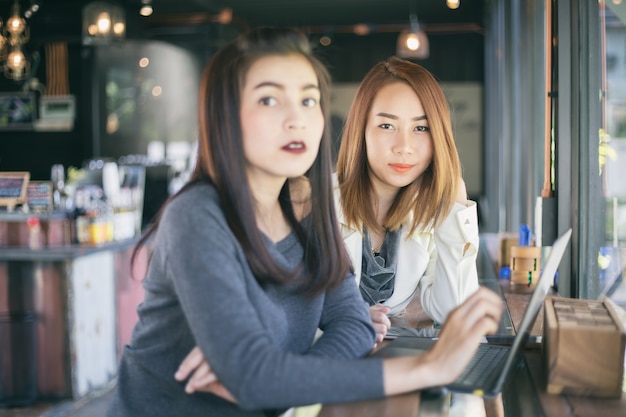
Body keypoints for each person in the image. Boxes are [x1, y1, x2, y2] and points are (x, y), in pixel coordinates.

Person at [108, 27, 503, 417]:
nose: (297, 119)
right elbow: (256, 376)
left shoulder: (305, 212)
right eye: (269, 100)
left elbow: (354, 326)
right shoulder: (196, 216)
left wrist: (279, 376)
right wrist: (426, 368)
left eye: (309, 100)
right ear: (225, 116)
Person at [335, 57, 480, 343]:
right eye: (387, 126)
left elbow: (454, 310)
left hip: (387, 371)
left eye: (421, 128)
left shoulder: (428, 213)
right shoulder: (315, 203)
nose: (404, 147)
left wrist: (456, 203)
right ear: (360, 130)